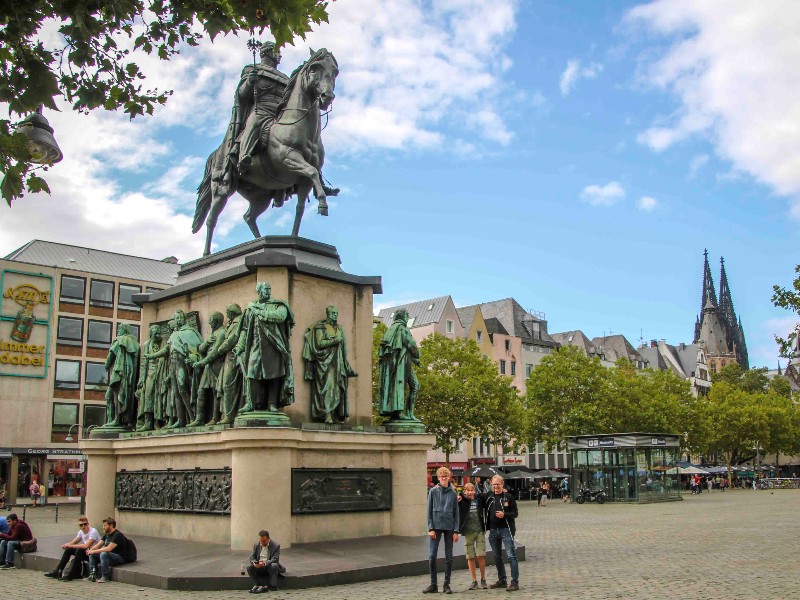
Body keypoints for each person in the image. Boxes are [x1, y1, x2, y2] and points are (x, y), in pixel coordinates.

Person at [235, 282, 295, 413]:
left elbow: (280, 317)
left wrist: (259, 312)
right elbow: (245, 329)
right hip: (255, 345)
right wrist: (239, 346)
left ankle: (272, 404)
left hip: (273, 344)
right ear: (259, 291)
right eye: (265, 289)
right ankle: (250, 403)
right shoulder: (250, 309)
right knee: (251, 373)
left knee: (274, 374)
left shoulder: (279, 305)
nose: (268, 291)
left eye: (269, 288)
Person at [302, 305, 358, 424]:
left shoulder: (339, 328)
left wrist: (346, 366)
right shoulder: (320, 327)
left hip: (337, 363)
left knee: (337, 388)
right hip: (324, 363)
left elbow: (344, 350)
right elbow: (319, 343)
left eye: (336, 313)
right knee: (328, 387)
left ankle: (333, 414)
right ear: (328, 314)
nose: (335, 315)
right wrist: (334, 341)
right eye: (333, 313)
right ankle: (326, 414)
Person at [378, 308, 421, 421]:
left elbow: (400, 348)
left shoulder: (390, 329)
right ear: (403, 317)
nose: (407, 318)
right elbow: (411, 345)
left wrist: (415, 360)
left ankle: (404, 414)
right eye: (407, 316)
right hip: (401, 363)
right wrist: (417, 355)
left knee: (409, 385)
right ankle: (401, 413)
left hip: (398, 363)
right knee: (411, 385)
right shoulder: (402, 328)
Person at [423, 467, 459, 594]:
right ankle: (433, 584)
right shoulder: (433, 491)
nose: (444, 479)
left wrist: (456, 530)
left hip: (449, 526)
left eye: (446, 476)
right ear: (438, 478)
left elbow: (456, 513)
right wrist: (430, 528)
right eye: (441, 477)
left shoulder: (453, 493)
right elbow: (428, 511)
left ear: (449, 477)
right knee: (432, 556)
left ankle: (446, 584)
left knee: (449, 557)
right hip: (436, 526)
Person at [188, 311, 226, 426]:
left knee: (216, 391)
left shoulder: (222, 332)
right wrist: (207, 342)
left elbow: (216, 351)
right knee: (201, 391)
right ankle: (199, 418)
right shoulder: (212, 334)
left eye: (211, 320)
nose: (209, 322)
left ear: (216, 321)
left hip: (217, 364)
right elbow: (200, 349)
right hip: (209, 365)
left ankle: (215, 418)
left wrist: (202, 362)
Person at [485, 475, 520, 592]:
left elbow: (515, 513)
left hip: (506, 529)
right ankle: (502, 579)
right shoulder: (489, 497)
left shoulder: (508, 497)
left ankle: (515, 581)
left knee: (511, 555)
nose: (496, 486)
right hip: (493, 531)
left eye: (498, 484)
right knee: (496, 556)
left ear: (502, 484)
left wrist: (504, 514)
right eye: (494, 484)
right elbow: (475, 497)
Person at [104, 323, 140, 427]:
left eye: (120, 329)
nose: (118, 331)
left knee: (111, 396)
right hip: (130, 376)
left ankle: (116, 420)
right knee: (124, 396)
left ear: (125, 330)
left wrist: (106, 365)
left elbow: (111, 354)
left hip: (120, 373)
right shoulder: (136, 344)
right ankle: (122, 420)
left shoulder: (121, 340)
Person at [43, 515, 101, 581]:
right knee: (69, 549)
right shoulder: (81, 532)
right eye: (81, 525)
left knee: (79, 550)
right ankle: (58, 570)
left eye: (85, 524)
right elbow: (73, 543)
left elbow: (86, 546)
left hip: (95, 555)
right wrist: (66, 545)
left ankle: (71, 574)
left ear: (88, 524)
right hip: (87, 553)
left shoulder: (93, 532)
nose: (83, 526)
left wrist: (71, 545)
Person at [458, 483, 488, 590]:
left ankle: (483, 579)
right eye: (468, 490)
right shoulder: (461, 501)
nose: (470, 492)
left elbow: (488, 495)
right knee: (470, 556)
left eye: (472, 490)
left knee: (480, 555)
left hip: (480, 531)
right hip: (468, 532)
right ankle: (474, 580)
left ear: (475, 491)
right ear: (465, 491)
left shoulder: (479, 500)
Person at [86, 517, 131, 583]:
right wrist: (90, 551)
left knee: (104, 553)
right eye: (103, 526)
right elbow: (98, 545)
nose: (103, 527)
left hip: (120, 557)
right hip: (110, 556)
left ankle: (105, 576)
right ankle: (93, 574)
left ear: (111, 525)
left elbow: (108, 549)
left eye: (105, 525)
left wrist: (93, 551)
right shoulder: (107, 534)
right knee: (93, 555)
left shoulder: (117, 535)